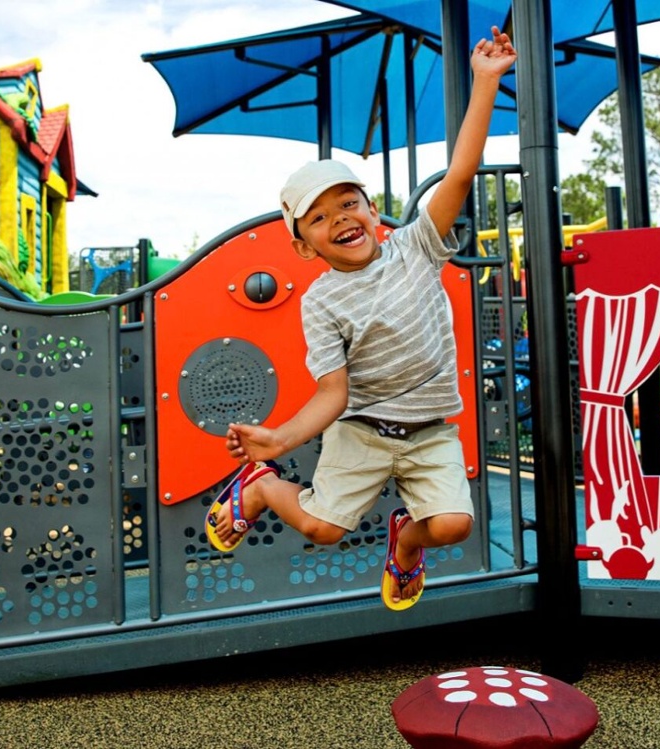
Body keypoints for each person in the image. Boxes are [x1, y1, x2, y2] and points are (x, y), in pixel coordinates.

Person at [208, 26, 518, 612]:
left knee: (452, 525)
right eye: (320, 218)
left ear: (372, 209)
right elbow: (333, 392)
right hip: (362, 431)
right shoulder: (321, 301)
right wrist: (278, 440)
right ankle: (264, 487)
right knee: (324, 530)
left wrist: (484, 82)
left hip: (430, 433)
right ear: (304, 246)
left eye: (349, 202)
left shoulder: (417, 244)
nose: (342, 219)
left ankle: (406, 541)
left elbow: (458, 173)